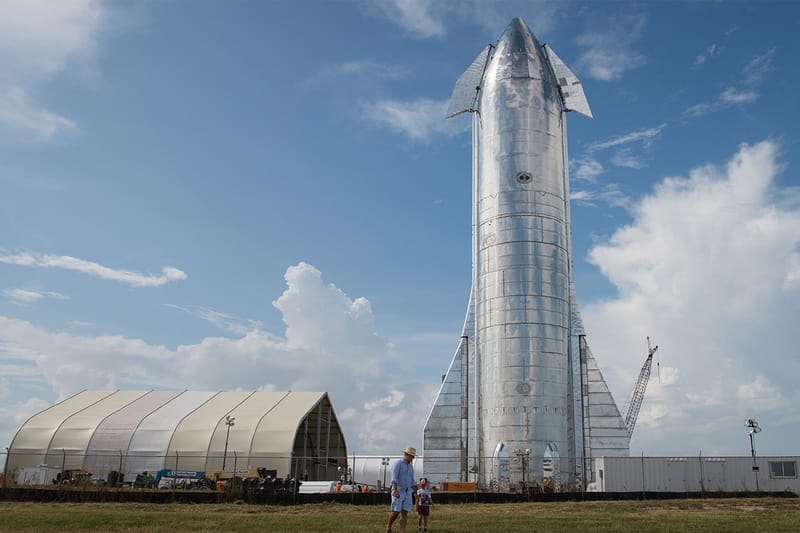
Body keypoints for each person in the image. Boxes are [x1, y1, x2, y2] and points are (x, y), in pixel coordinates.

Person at [386, 447, 416, 533]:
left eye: (413, 457)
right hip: (399, 490)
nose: (412, 458)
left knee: (405, 512)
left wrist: (414, 491)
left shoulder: (410, 467)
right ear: (406, 455)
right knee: (396, 511)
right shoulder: (398, 464)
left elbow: (412, 480)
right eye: (411, 456)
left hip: (408, 491)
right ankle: (389, 525)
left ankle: (402, 531)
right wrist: (395, 491)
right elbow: (394, 478)